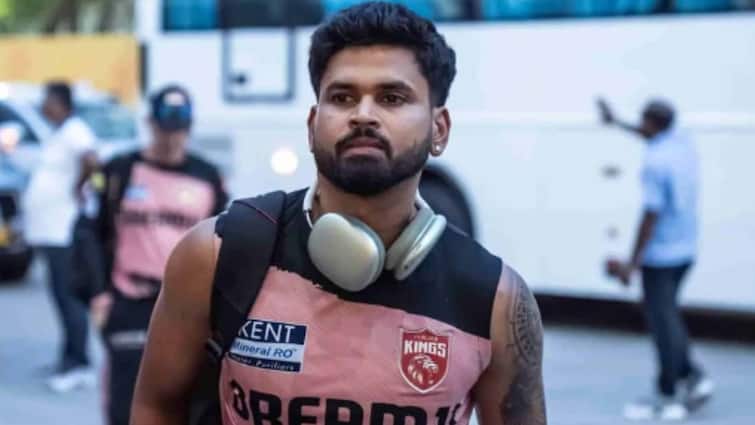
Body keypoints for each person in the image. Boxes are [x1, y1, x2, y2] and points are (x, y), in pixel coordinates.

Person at [132, 3, 547, 425]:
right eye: (342, 97)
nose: (363, 115)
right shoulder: (215, 255)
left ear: (438, 129)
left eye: (392, 98)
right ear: (312, 125)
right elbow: (156, 407)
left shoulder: (497, 301)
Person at [90, 85, 228, 425]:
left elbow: (221, 243)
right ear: (151, 124)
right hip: (130, 299)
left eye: (179, 129)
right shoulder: (120, 170)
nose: (171, 138)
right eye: (165, 128)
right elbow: (91, 234)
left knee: (183, 398)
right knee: (126, 402)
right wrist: (97, 294)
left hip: (186, 302)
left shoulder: (207, 177)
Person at [598, 98, 714, 421]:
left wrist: (631, 264)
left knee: (663, 325)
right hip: (685, 251)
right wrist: (617, 122)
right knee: (668, 317)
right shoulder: (681, 144)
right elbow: (646, 133)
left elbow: (650, 216)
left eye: (642, 121)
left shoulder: (655, 163)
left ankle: (669, 395)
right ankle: (693, 377)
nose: (640, 126)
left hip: (661, 256)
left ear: (652, 123)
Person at [22, 81, 99, 392]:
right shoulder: (60, 132)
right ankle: (68, 357)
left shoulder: (76, 131)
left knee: (68, 297)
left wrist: (79, 187)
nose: (44, 106)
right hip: (50, 230)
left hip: (62, 229)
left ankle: (79, 364)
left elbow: (92, 161)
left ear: (62, 103)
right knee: (59, 295)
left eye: (48, 101)